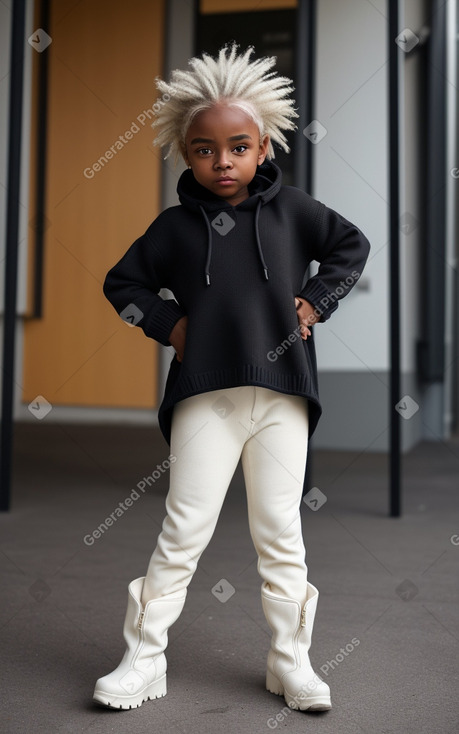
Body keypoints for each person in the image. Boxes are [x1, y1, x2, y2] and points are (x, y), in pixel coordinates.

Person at [93, 43, 370, 713]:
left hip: (281, 400)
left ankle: (291, 662)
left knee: (279, 531)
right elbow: (120, 282)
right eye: (204, 149)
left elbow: (350, 247)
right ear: (185, 154)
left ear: (263, 145)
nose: (223, 161)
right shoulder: (173, 228)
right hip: (203, 399)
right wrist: (168, 325)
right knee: (183, 529)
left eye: (238, 146)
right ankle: (143, 658)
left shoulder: (296, 211)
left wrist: (316, 302)